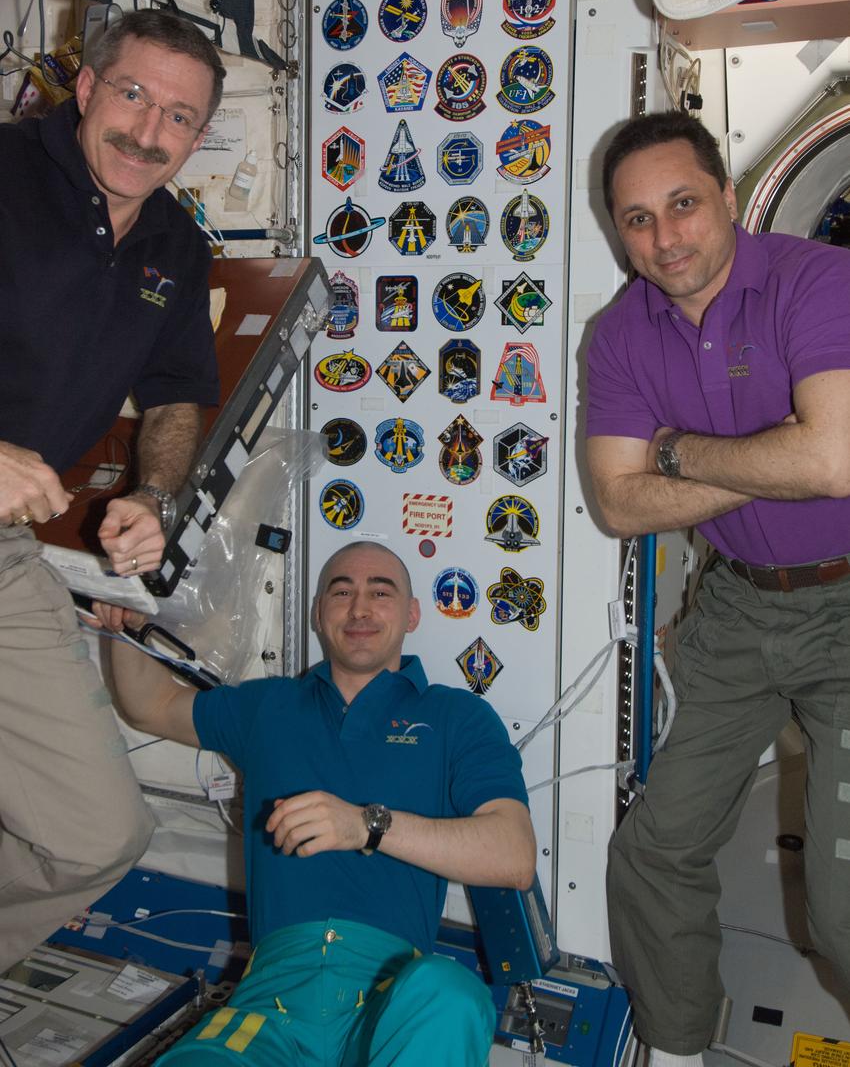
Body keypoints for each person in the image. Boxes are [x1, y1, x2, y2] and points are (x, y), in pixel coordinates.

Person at [585, 111, 850, 1067]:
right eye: (639, 219)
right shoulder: (619, 334)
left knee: (842, 902)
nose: (666, 238)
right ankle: (678, 1052)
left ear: (729, 198)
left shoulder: (815, 279)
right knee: (651, 855)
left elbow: (832, 459)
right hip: (736, 606)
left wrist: (680, 451)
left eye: (684, 204)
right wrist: (776, 455)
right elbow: (619, 504)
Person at [108, 541, 536, 1067]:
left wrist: (366, 826)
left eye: (381, 592)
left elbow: (513, 856)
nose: (360, 608)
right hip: (268, 1002)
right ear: (317, 613)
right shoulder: (268, 706)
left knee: (453, 993)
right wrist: (122, 621)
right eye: (341, 592)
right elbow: (150, 706)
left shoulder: (457, 717)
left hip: (392, 1000)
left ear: (412, 613)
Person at [0, 9, 224, 969]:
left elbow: (178, 393)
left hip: (5, 556)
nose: (148, 131)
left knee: (97, 835)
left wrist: (157, 499)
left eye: (179, 116)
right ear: (85, 89)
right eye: (132, 94)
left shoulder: (175, 245)